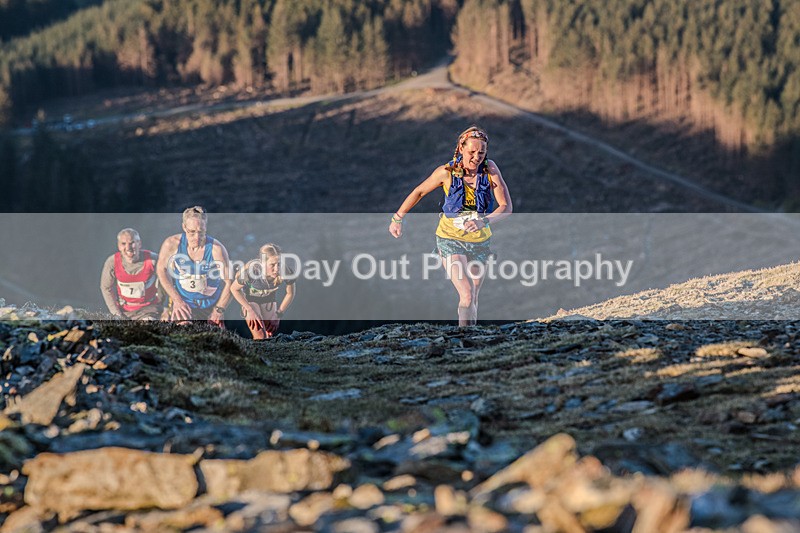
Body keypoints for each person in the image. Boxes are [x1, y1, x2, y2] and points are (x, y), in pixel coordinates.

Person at [389, 125, 512, 326]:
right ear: (461, 148)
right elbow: (419, 192)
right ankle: (465, 342)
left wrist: (483, 221)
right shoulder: (446, 172)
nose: (476, 157)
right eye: (471, 151)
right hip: (450, 239)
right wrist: (397, 218)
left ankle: (471, 341)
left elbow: (506, 207)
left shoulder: (490, 170)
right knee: (466, 293)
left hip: (480, 242)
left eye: (481, 152)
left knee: (473, 296)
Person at [156, 206, 232, 326]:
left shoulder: (216, 249)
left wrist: (219, 309)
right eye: (192, 232)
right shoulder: (171, 244)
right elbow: (162, 270)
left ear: (205, 228)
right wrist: (177, 300)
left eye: (201, 232)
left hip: (210, 305)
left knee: (214, 340)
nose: (196, 237)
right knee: (184, 329)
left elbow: (230, 282)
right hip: (184, 302)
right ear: (184, 227)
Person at [231, 243, 296, 339]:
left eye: (279, 264)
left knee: (268, 335)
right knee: (260, 336)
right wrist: (249, 309)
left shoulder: (286, 271)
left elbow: (290, 293)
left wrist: (278, 314)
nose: (276, 269)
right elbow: (234, 289)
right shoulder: (252, 272)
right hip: (250, 300)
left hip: (268, 300)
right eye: (272, 265)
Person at [100, 228, 163, 320]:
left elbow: (167, 280)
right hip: (124, 311)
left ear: (139, 244)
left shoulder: (154, 260)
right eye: (123, 244)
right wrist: (116, 313)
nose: (128, 248)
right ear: (118, 246)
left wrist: (161, 303)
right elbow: (106, 288)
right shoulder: (112, 262)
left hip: (149, 310)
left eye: (132, 243)